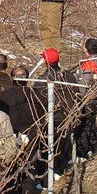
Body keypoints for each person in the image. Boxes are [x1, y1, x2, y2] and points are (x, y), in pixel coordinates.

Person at [0, 66, 46, 194]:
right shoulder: (35, 95)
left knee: (10, 166)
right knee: (29, 166)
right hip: (30, 135)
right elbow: (42, 117)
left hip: (10, 136)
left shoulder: (4, 96)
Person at [34, 48, 79, 176]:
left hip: (52, 117)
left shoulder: (42, 81)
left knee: (50, 144)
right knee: (63, 142)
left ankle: (50, 172)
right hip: (67, 115)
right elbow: (75, 91)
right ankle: (61, 168)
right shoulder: (69, 76)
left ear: (45, 62)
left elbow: (37, 100)